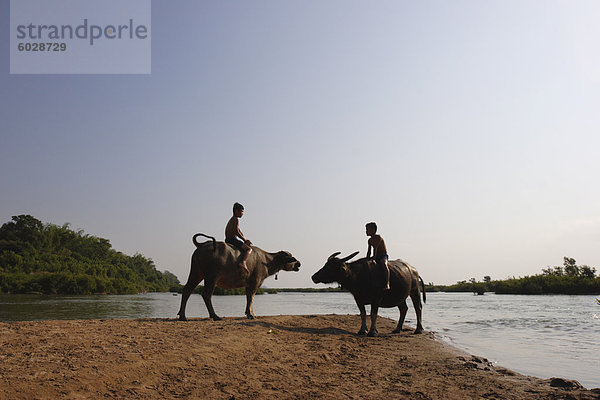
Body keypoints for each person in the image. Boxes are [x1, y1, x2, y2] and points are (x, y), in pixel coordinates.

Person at [225, 202, 252, 275]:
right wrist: (244, 240)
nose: (242, 213)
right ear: (236, 211)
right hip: (232, 240)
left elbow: (239, 230)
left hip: (229, 239)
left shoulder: (233, 219)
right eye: (241, 211)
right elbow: (236, 231)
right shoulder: (235, 219)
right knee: (249, 249)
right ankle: (243, 262)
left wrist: (245, 239)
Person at [366, 222, 390, 290]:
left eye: (367, 230)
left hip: (382, 256)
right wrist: (367, 259)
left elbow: (375, 249)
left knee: (384, 264)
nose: (366, 231)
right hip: (375, 256)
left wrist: (373, 259)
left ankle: (387, 283)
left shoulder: (378, 237)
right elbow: (369, 251)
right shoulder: (369, 240)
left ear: (373, 230)